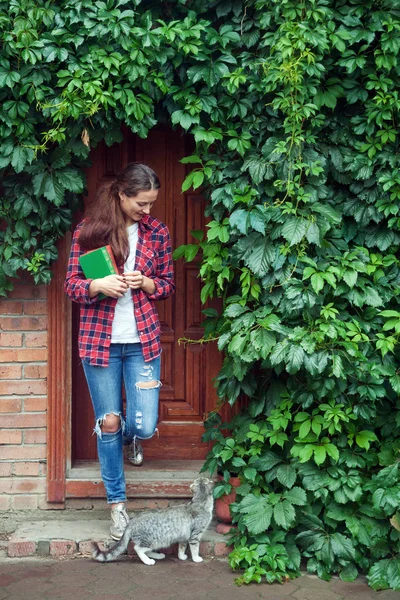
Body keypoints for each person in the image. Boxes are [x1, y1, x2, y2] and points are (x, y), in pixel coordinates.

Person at [64, 162, 175, 540]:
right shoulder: (89, 230)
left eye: (151, 203)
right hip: (99, 343)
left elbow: (168, 285)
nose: (148, 211)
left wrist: (146, 282)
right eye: (142, 203)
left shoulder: (157, 232)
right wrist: (98, 285)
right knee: (108, 422)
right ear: (121, 195)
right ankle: (117, 505)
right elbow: (72, 286)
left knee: (142, 424)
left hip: (142, 341)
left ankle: (131, 440)